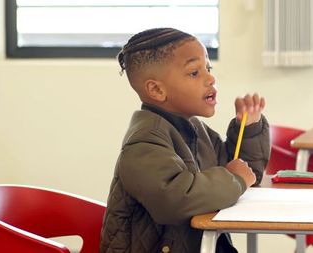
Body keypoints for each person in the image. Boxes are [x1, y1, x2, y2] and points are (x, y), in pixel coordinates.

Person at [100, 27, 270, 253]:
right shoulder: (144, 142)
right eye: (194, 73)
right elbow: (176, 200)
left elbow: (245, 173)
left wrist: (247, 130)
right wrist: (235, 178)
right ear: (157, 90)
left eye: (208, 68)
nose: (211, 78)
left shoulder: (195, 129)